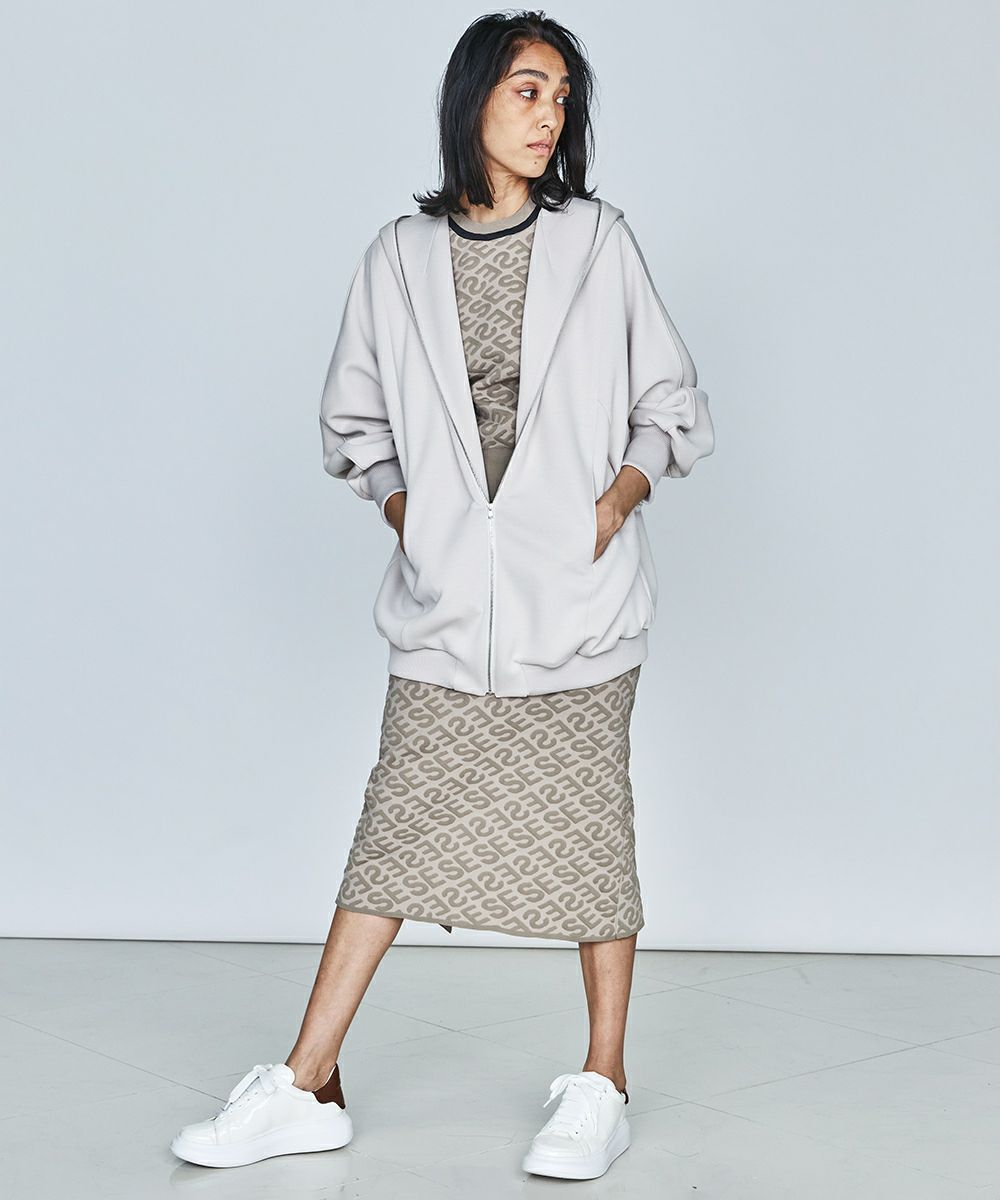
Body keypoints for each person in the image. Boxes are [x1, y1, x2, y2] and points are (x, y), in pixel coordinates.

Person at [170, 9, 714, 1182]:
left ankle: (602, 1082)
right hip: (446, 611)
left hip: (578, 601)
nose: (548, 115)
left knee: (591, 838)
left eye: (561, 97)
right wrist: (407, 515)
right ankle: (307, 1082)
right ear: (471, 99)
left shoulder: (598, 241)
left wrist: (612, 504)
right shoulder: (397, 257)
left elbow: (669, 401)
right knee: (392, 835)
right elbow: (353, 421)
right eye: (527, 90)